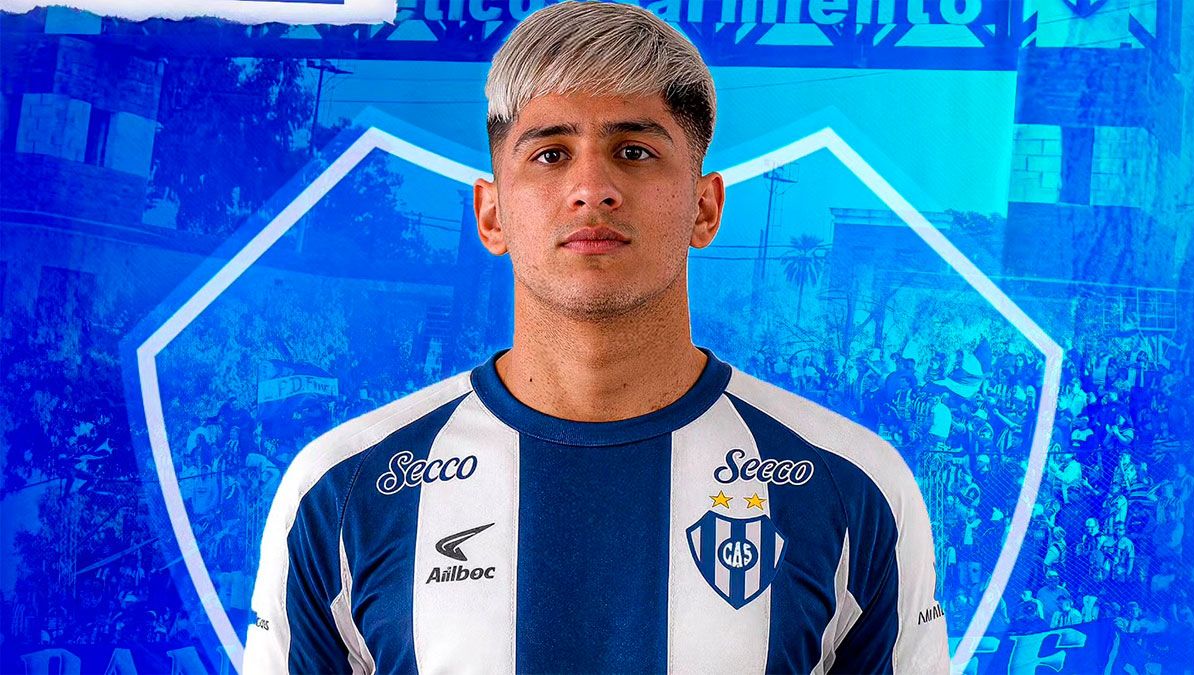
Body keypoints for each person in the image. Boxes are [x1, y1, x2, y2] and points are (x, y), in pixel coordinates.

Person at [243, 2, 949, 673]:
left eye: (634, 151)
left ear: (705, 208)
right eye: (551, 154)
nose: (592, 188)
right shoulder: (342, 490)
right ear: (491, 215)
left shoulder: (853, 486)